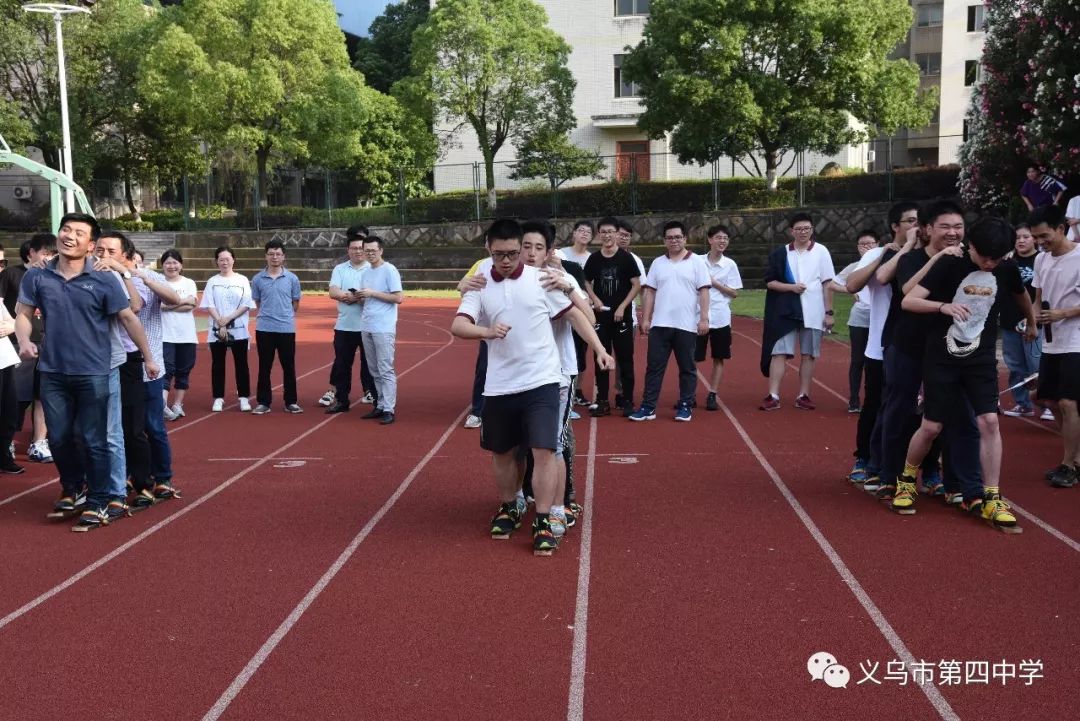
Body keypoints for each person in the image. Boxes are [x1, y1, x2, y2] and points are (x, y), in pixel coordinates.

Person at [451, 218, 613, 556]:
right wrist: (487, 331)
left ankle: (544, 518)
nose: (508, 260)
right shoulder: (480, 282)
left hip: (542, 380)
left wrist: (599, 349)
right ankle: (511, 505)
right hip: (498, 385)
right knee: (503, 453)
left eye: (513, 253)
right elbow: (458, 325)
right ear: (488, 251)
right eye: (500, 254)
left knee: (545, 449)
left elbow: (578, 316)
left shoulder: (544, 279)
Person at [15, 213, 158, 530]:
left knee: (94, 439)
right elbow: (23, 313)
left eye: (79, 233)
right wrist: (24, 340)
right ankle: (73, 487)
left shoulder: (105, 278)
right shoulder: (38, 276)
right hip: (52, 370)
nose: (69, 236)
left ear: (91, 245)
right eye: (66, 230)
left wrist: (148, 357)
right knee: (61, 439)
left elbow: (129, 318)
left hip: (94, 370)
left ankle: (99, 499)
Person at [894, 216, 1035, 525]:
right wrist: (943, 307)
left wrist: (1033, 321)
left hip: (981, 360)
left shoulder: (1006, 269)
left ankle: (992, 496)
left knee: (989, 422)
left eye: (996, 258)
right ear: (971, 245)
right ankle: (906, 479)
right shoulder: (950, 265)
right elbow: (910, 300)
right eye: (985, 256)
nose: (989, 263)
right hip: (942, 358)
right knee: (932, 427)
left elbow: (1021, 295)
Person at [99, 233, 182, 507]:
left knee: (151, 425)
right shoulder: (96, 275)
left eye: (110, 251)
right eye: (100, 250)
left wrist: (135, 275)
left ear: (126, 254)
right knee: (121, 426)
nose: (104, 255)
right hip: (112, 361)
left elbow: (172, 298)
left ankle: (163, 478)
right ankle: (133, 476)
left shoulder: (143, 277)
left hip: (147, 363)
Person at [842, 202, 920, 487]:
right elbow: (852, 285)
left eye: (919, 221)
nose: (916, 226)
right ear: (895, 227)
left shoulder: (926, 255)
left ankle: (912, 467)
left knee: (915, 409)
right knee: (875, 405)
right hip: (880, 346)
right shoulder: (877, 253)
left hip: (915, 346)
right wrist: (885, 254)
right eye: (910, 220)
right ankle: (864, 458)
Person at [629, 220, 711, 422]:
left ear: (685, 238)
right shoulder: (658, 263)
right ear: (664, 240)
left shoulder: (697, 262)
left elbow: (704, 291)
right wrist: (646, 318)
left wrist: (704, 319)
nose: (674, 240)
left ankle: (685, 406)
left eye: (677, 237)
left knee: (687, 368)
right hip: (660, 325)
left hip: (686, 325)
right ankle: (648, 407)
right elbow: (649, 292)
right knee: (654, 368)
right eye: (669, 237)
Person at [759, 212, 836, 411]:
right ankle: (773, 395)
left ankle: (803, 395)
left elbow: (828, 282)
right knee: (779, 352)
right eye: (799, 229)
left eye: (807, 228)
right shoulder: (780, 253)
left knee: (809, 354)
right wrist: (791, 288)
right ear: (791, 231)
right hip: (786, 311)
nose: (803, 232)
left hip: (814, 310)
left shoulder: (821, 251)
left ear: (812, 229)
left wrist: (829, 312)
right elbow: (770, 282)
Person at [1030, 205, 1080, 488]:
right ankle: (1075, 458)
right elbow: (1039, 295)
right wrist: (1032, 320)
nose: (1041, 242)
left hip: (1076, 340)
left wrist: (1063, 314)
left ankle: (1067, 464)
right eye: (1037, 237)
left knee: (1067, 401)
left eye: (1045, 236)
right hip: (1051, 342)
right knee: (1051, 400)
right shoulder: (1041, 259)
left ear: (1062, 228)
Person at [0, 233, 54, 462]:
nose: (49, 258)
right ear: (31, 252)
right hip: (17, 345)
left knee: (42, 395)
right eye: (45, 253)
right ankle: (8, 440)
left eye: (53, 254)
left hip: (47, 343)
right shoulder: (11, 274)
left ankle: (39, 442)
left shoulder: (52, 276)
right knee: (18, 397)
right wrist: (12, 327)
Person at [583, 216, 640, 417]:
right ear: (599, 234)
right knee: (601, 358)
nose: (607, 235)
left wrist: (622, 307)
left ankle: (627, 400)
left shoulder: (626, 258)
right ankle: (602, 401)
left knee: (625, 360)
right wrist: (594, 298)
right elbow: (586, 281)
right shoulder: (594, 259)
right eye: (603, 232)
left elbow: (636, 284)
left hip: (621, 318)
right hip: (601, 319)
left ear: (617, 234)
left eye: (611, 231)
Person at [320, 225, 376, 409]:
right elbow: (333, 291)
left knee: (370, 364)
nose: (358, 251)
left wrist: (357, 297)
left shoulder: (373, 268)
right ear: (348, 250)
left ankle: (374, 396)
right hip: (345, 325)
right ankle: (342, 400)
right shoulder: (340, 269)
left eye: (361, 248)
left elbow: (376, 295)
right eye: (354, 248)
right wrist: (349, 296)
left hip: (368, 326)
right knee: (343, 364)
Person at [250, 240, 303, 414]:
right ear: (266, 256)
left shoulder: (292, 278)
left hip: (286, 329)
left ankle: (291, 402)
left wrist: (284, 315)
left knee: (289, 366)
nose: (274, 257)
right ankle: (264, 402)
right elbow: (258, 302)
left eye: (278, 254)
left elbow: (295, 303)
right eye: (271, 254)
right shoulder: (258, 279)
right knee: (264, 367)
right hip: (264, 328)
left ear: (283, 256)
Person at [200, 246, 255, 412]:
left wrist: (228, 319)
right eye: (221, 259)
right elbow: (209, 304)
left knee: (241, 364)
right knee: (218, 364)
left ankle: (244, 397)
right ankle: (218, 398)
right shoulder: (212, 281)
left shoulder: (242, 280)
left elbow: (246, 304)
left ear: (233, 260)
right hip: (217, 330)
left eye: (227, 259)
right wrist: (220, 322)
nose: (224, 262)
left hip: (238, 329)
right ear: (216, 261)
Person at [358, 236, 403, 425]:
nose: (370, 253)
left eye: (373, 250)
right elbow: (365, 299)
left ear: (381, 250)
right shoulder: (365, 273)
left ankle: (389, 409)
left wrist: (372, 293)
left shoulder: (389, 270)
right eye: (366, 251)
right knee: (373, 369)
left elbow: (398, 297)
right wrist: (359, 295)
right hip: (367, 324)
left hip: (383, 327)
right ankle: (380, 403)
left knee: (385, 368)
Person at [697, 224, 743, 411]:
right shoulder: (697, 261)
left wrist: (714, 282)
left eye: (725, 238)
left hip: (721, 317)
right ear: (710, 240)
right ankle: (688, 394)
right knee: (692, 357)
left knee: (719, 357)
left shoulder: (730, 264)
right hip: (698, 317)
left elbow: (734, 293)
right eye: (718, 237)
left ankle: (712, 394)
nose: (722, 241)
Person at [1000, 224, 1043, 419]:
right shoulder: (1007, 260)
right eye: (1018, 237)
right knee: (1015, 365)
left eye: (1026, 236)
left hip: (1035, 321)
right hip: (1010, 320)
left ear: (1034, 239)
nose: (1021, 241)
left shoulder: (1042, 260)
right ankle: (1022, 403)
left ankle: (1046, 403)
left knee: (1036, 364)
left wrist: (1034, 317)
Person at [833, 231, 880, 413]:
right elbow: (832, 284)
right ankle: (854, 399)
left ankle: (874, 398)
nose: (867, 247)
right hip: (859, 318)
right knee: (858, 360)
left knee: (876, 361)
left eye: (870, 243)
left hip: (880, 318)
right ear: (857, 247)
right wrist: (852, 291)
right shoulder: (854, 266)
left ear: (878, 245)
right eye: (862, 244)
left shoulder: (886, 265)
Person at [556, 220, 594, 407]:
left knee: (580, 352)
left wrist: (589, 299)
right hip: (562, 309)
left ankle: (576, 391)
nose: (584, 234)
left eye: (588, 231)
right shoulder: (562, 254)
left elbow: (588, 285)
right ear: (574, 233)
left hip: (581, 306)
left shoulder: (590, 259)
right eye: (581, 230)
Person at [159, 250, 199, 421]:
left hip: (186, 335)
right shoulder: (158, 282)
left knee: (184, 370)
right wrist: (182, 301)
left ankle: (178, 404)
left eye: (175, 263)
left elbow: (190, 305)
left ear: (181, 265)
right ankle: (162, 405)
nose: (172, 266)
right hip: (165, 335)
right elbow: (159, 305)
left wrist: (168, 304)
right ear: (163, 265)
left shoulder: (189, 282)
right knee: (166, 371)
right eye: (168, 263)